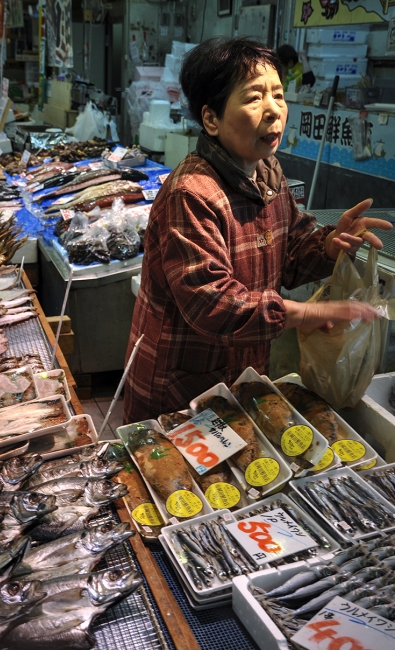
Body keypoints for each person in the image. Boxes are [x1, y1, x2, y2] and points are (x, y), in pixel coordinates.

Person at [122, 37, 391, 424]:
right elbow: (213, 303)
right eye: (253, 98)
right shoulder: (191, 192)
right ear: (211, 118)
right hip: (180, 389)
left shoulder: (267, 171)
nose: (274, 111)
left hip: (241, 374)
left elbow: (290, 252)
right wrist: (304, 312)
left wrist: (330, 245)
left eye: (278, 95)